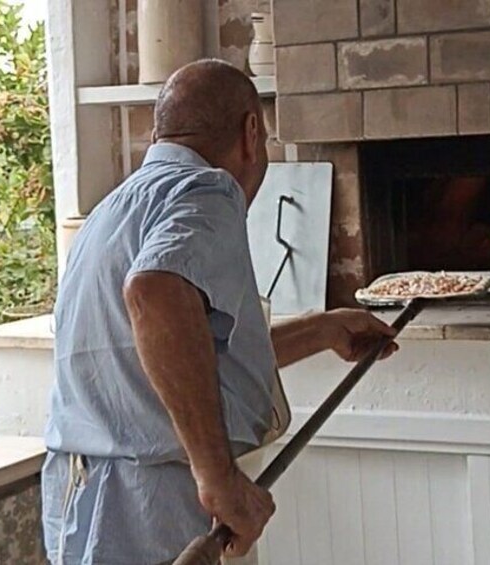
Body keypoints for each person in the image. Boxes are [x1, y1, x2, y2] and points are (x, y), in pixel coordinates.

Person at [41, 59, 398, 565]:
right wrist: (217, 478)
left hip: (83, 500)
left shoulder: (112, 210)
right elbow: (155, 293)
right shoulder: (207, 189)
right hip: (151, 511)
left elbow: (179, 351)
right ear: (251, 132)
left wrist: (323, 329)